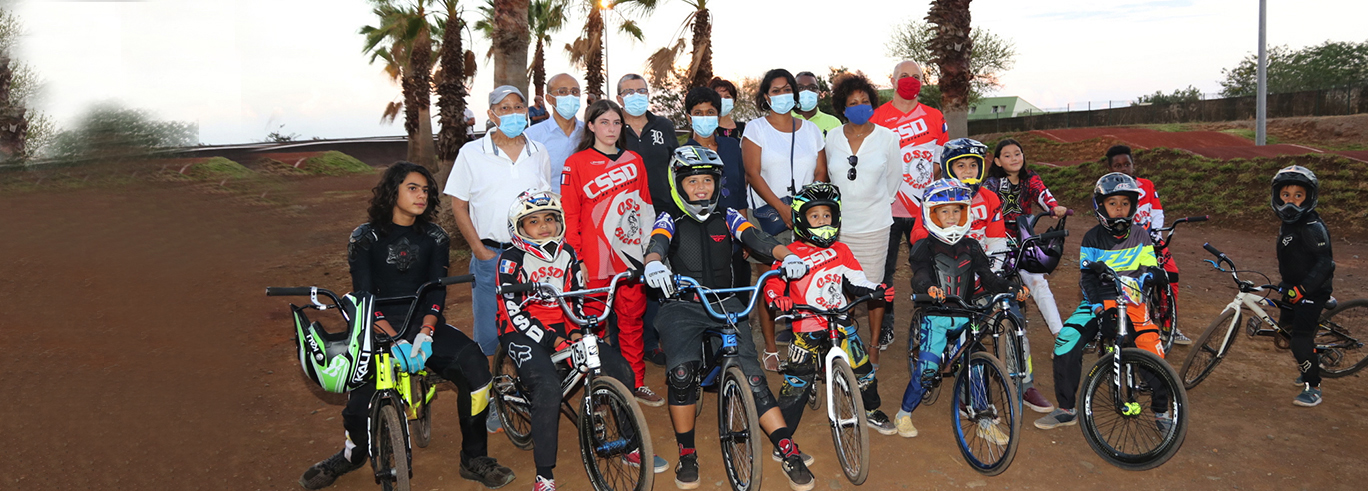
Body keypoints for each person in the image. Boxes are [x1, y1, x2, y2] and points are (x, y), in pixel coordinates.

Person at [300, 163, 515, 490]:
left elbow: (435, 289)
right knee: (358, 403)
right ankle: (352, 454)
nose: (422, 196)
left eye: (426, 190)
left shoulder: (435, 237)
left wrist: (426, 332)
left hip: (423, 326)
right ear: (393, 191)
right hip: (376, 328)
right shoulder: (365, 237)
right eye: (413, 188)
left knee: (476, 372)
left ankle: (474, 458)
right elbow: (363, 293)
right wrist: (390, 337)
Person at [640, 146, 817, 491]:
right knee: (680, 374)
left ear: (718, 183)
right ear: (679, 184)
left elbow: (756, 237)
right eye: (693, 181)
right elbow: (657, 243)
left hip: (726, 302)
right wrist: (653, 263)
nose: (701, 188)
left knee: (753, 379)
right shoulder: (669, 217)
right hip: (683, 303)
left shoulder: (729, 215)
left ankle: (786, 447)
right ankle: (687, 452)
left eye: (708, 180)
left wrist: (787, 254)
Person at [496, 191, 661, 491]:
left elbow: (578, 298)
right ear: (518, 228)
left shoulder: (568, 253)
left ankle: (630, 445)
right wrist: (553, 340)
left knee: (620, 369)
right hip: (520, 330)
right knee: (547, 389)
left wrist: (574, 330)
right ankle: (544, 475)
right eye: (533, 221)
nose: (543, 226)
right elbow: (512, 311)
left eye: (550, 219)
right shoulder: (510, 259)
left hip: (562, 322)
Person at [446, 85, 552, 434]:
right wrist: (478, 249)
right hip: (491, 253)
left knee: (530, 324)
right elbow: (458, 204)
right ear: (491, 114)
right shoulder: (471, 153)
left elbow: (546, 201)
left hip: (532, 257)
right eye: (504, 108)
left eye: (518, 106)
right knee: (490, 331)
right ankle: (493, 399)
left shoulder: (538, 151)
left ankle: (521, 391)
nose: (512, 113)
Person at [895, 178, 1028, 439]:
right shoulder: (924, 245)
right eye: (945, 211)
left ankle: (985, 421)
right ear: (931, 214)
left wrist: (1009, 287)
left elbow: (987, 277)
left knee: (976, 364)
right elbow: (919, 274)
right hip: (936, 316)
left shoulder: (972, 246)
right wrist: (929, 288)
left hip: (968, 315)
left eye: (957, 210)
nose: (952, 217)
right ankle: (904, 413)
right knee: (928, 370)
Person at [763, 183, 899, 436]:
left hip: (839, 319)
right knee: (797, 381)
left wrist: (876, 288)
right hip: (806, 324)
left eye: (827, 215)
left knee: (864, 371)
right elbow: (772, 282)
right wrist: (777, 298)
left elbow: (857, 280)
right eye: (814, 216)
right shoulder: (790, 254)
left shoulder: (841, 250)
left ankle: (871, 411)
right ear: (801, 219)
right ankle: (783, 436)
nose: (822, 221)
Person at [1036, 172, 1168, 430]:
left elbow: (1150, 269)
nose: (1119, 209)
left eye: (1125, 203)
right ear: (1100, 206)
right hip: (1097, 303)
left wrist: (1152, 275)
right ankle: (1066, 409)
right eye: (1112, 203)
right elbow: (1087, 279)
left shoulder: (1141, 235)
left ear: (1133, 206)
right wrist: (1097, 307)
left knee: (1153, 351)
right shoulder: (1092, 238)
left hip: (1133, 304)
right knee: (1065, 341)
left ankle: (1162, 412)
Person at [561, 99, 663, 407]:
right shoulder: (575, 163)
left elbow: (646, 208)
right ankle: (600, 386)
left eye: (616, 123)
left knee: (632, 321)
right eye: (604, 122)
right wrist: (577, 257)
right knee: (593, 325)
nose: (611, 129)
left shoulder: (634, 160)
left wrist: (648, 253)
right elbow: (570, 213)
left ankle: (636, 383)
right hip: (593, 258)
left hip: (629, 254)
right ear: (590, 126)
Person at [744, 68, 829, 372]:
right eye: (775, 91)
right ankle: (769, 347)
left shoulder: (811, 130)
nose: (782, 95)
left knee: (806, 280)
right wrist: (782, 209)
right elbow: (752, 173)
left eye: (786, 89)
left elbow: (821, 172)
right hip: (769, 216)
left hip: (808, 217)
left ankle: (803, 341)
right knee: (772, 281)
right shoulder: (756, 129)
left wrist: (805, 208)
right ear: (766, 97)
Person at [822, 72, 902, 367]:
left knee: (874, 288)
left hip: (875, 227)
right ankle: (846, 339)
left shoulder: (887, 138)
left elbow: (894, 180)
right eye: (852, 102)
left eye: (864, 101)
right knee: (841, 287)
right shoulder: (831, 137)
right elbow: (829, 178)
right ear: (842, 108)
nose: (859, 106)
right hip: (839, 229)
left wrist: (875, 204)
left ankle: (873, 345)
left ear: (873, 103)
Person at [982, 138, 1068, 413]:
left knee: (1038, 281)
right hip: (994, 242)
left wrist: (1054, 207)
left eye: (1017, 153)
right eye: (1006, 155)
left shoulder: (1030, 179)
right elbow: (983, 205)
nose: (1013, 158)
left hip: (1022, 240)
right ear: (997, 161)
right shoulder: (991, 185)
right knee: (994, 300)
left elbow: (1044, 194)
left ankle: (1061, 335)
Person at [873, 60, 948, 351]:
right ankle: (886, 327)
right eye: (904, 76)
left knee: (931, 269)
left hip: (924, 212)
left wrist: (921, 187)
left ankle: (931, 325)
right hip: (887, 209)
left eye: (916, 77)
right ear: (892, 81)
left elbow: (940, 163)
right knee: (884, 272)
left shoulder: (934, 117)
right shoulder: (877, 117)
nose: (910, 81)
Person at [616, 73, 679, 366]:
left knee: (656, 276)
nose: (636, 96)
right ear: (619, 99)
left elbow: (674, 166)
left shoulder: (664, 126)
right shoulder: (613, 128)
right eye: (629, 92)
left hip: (663, 214)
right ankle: (622, 343)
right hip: (624, 218)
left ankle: (652, 342)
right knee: (628, 280)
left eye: (641, 90)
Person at [1105, 145, 1190, 345]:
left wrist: (1155, 234)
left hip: (1152, 241)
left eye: (1127, 164)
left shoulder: (1147, 186)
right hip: (1126, 245)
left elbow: (1157, 212)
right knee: (1129, 283)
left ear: (1133, 165)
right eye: (1117, 165)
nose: (1123, 168)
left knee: (1171, 274)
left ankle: (1169, 325)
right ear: (1110, 169)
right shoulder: (1106, 192)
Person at [1269, 165, 1335, 407]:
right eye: (1285, 195)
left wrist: (1303, 290)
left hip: (1312, 290)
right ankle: (1310, 359)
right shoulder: (1288, 224)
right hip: (1292, 286)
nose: (1290, 203)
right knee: (1285, 328)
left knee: (1299, 340)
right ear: (1276, 196)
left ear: (1309, 198)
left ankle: (1313, 386)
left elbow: (1326, 263)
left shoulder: (1311, 227)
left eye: (1299, 196)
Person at [683, 86, 750, 291]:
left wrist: (745, 236)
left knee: (738, 292)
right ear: (689, 117)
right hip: (702, 239)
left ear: (718, 115)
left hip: (734, 236)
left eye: (710, 112)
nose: (705, 117)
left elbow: (740, 195)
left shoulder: (731, 146)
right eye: (698, 113)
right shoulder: (683, 154)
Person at [525, 73, 586, 194]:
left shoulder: (590, 132)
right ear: (549, 98)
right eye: (562, 92)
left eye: (574, 92)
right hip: (552, 207)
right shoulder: (533, 136)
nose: (570, 96)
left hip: (588, 207)